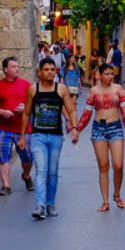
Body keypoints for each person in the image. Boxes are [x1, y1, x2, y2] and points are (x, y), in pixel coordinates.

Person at [22, 57, 79, 219]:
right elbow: (26, 113)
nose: (50, 72)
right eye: (46, 69)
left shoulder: (61, 89)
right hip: (38, 136)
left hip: (55, 136)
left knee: (52, 172)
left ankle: (50, 203)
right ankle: (39, 205)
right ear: (39, 72)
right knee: (41, 170)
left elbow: (72, 110)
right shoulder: (33, 90)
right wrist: (22, 136)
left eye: (52, 70)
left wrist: (74, 128)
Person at [74, 64, 125, 211]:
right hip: (99, 129)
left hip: (115, 128)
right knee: (103, 166)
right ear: (100, 75)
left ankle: (117, 194)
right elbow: (87, 113)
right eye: (107, 74)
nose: (110, 77)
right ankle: (105, 201)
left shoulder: (118, 89)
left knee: (118, 165)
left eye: (112, 74)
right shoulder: (94, 91)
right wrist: (78, 130)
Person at [0, 56, 34, 196]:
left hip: (24, 129)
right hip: (4, 128)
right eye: (13, 66)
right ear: (6, 69)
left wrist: (25, 108)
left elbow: (34, 103)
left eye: (17, 66)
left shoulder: (26, 85)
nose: (17, 68)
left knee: (28, 157)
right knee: (2, 156)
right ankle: (6, 186)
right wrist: (2, 112)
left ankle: (26, 175)